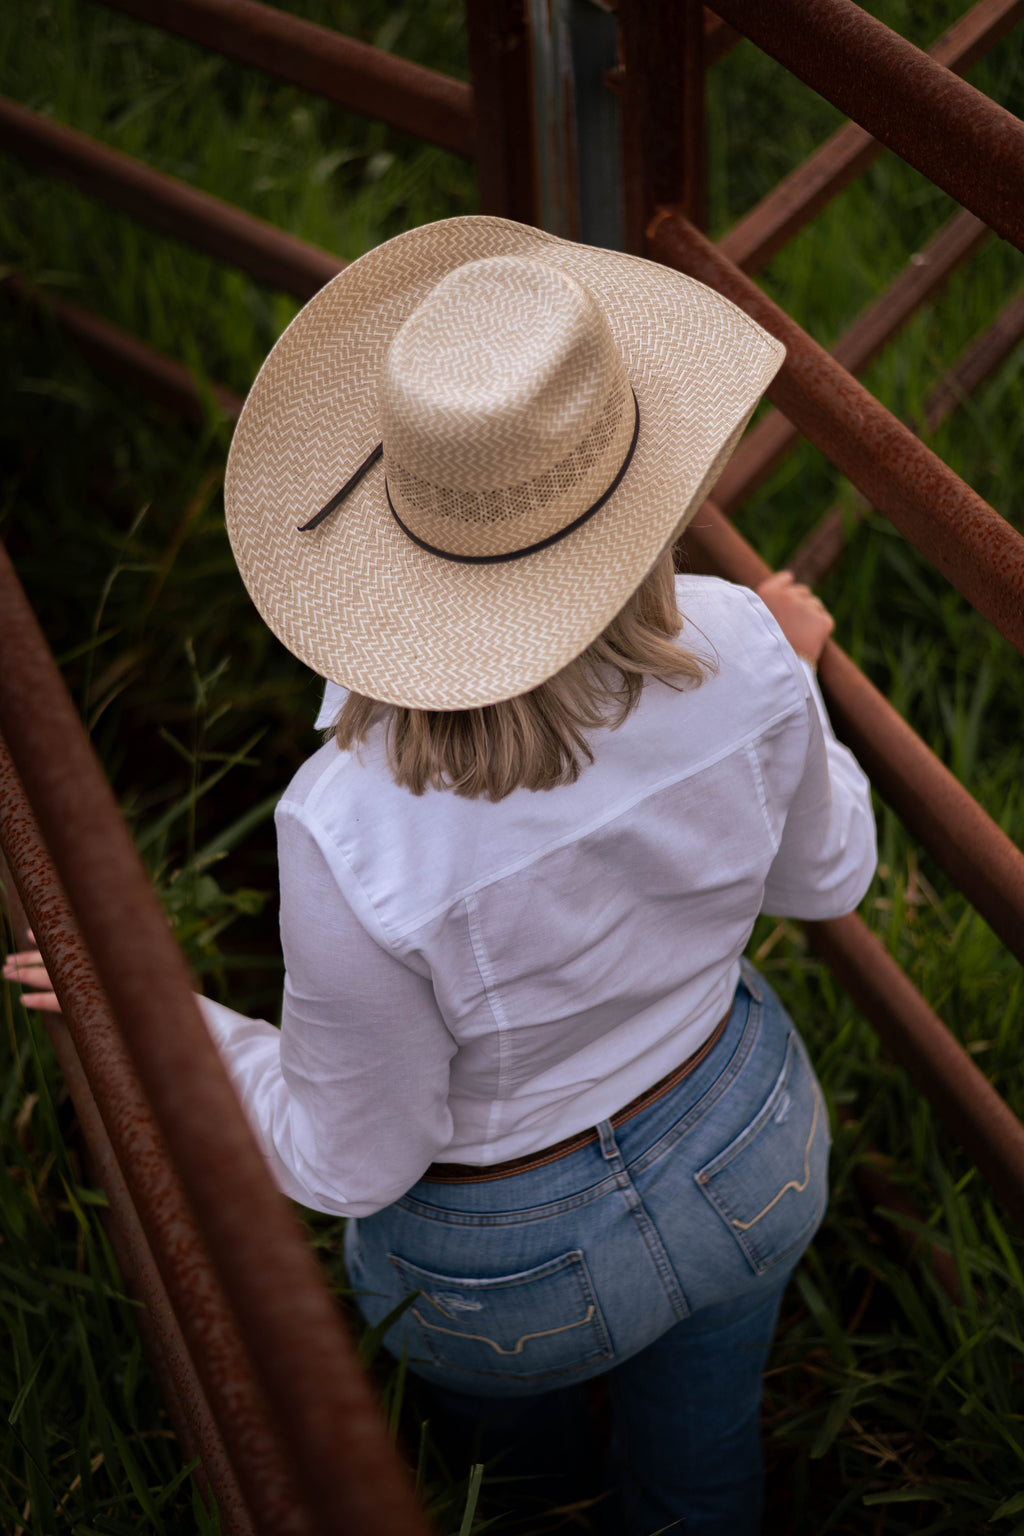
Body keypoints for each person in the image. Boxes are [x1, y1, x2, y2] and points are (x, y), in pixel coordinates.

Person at [3, 216, 876, 1534]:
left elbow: (354, 1159)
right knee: (702, 1483)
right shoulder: (749, 651)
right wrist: (791, 683)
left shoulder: (350, 829)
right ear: (638, 485)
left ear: (386, 535)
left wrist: (172, 1031)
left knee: (518, 1489)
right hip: (753, 1149)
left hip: (499, 1275)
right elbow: (830, 877)